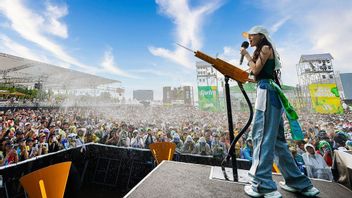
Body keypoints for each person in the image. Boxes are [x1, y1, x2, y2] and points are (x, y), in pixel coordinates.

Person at [240, 25, 319, 197]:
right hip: (269, 91)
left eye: (251, 36)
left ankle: (262, 185)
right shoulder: (265, 49)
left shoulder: (266, 48)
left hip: (267, 94)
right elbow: (258, 75)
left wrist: (245, 55)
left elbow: (255, 70)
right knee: (276, 141)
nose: (249, 39)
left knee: (261, 137)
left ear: (261, 36)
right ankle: (298, 182)